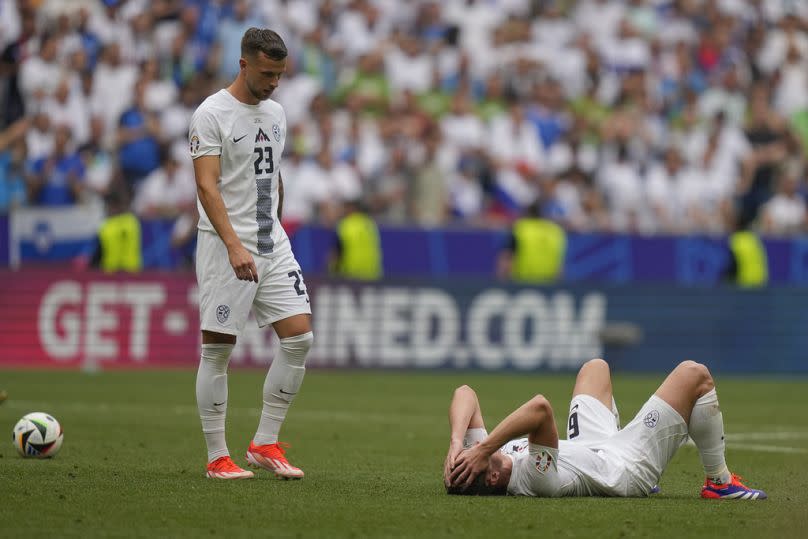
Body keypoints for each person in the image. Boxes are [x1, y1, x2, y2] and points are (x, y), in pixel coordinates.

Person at [189, 28, 313, 480]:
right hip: (227, 246)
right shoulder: (211, 114)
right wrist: (234, 245)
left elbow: (275, 177)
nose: (274, 83)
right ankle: (217, 456)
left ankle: (264, 442)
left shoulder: (277, 112)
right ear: (243, 65)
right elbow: (207, 185)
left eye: (280, 75)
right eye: (266, 74)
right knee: (218, 349)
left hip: (271, 242)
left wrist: (274, 231)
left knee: (299, 338)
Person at [444, 358, 767, 500]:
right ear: (493, 477)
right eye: (475, 455)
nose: (476, 449)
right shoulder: (533, 480)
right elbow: (540, 408)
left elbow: (465, 392)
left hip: (592, 448)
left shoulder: (487, 460)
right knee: (694, 374)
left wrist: (457, 441)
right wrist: (484, 449)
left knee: (595, 368)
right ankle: (719, 482)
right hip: (626, 467)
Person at [497, 200, 567, 284]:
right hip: (548, 283)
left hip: (523, 281)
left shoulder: (520, 228)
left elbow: (507, 257)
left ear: (528, 213)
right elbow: (560, 265)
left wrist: (502, 281)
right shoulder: (556, 232)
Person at [329, 198, 383, 281]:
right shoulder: (370, 223)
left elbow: (337, 251)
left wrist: (332, 272)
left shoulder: (345, 225)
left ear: (351, 208)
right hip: (372, 274)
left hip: (350, 273)